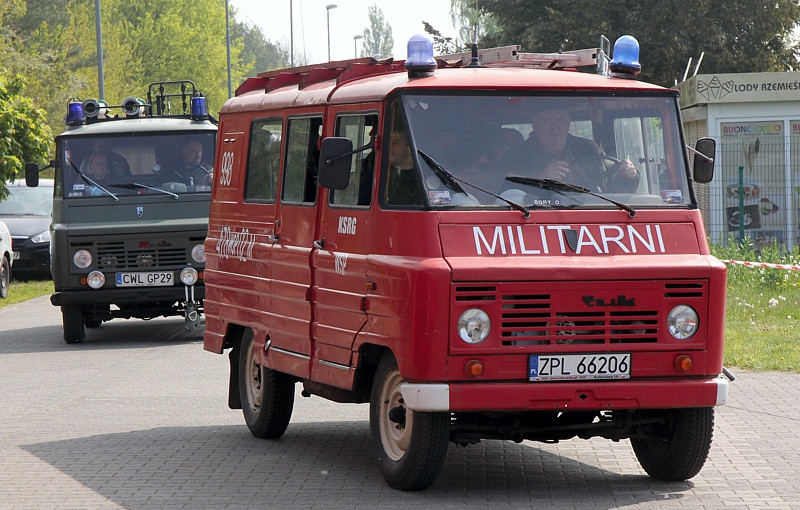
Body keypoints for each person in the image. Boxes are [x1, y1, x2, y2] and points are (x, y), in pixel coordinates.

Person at [506, 105, 639, 193]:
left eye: (560, 120)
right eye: (547, 121)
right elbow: (501, 195)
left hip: (590, 216)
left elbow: (611, 188)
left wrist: (627, 175)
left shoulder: (589, 149)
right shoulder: (516, 156)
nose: (555, 128)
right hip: (536, 222)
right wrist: (540, 179)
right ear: (535, 125)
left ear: (568, 123)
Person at [385, 128, 425, 206]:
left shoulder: (420, 178)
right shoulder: (378, 173)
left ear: (409, 147)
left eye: (395, 143)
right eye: (388, 143)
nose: (390, 147)